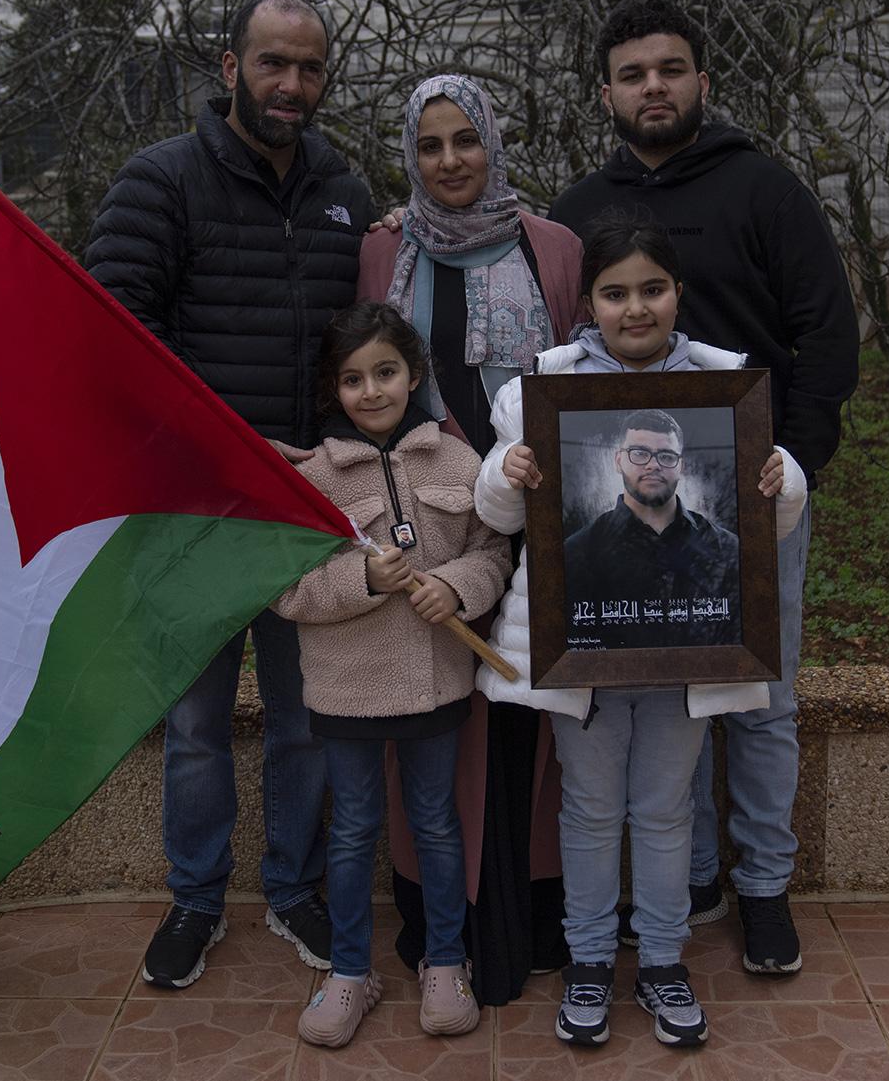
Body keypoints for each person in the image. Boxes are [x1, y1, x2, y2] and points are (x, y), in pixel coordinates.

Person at [547, 0, 859, 974]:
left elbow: (829, 334)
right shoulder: (573, 213)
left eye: (670, 69)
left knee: (758, 698)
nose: (653, 87)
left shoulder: (764, 188)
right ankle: (683, 882)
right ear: (606, 92)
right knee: (649, 691)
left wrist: (794, 463)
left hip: (758, 497)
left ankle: (763, 883)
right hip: (621, 499)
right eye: (633, 74)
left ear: (702, 82)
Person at [84, 0, 373, 988]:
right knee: (200, 727)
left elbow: (366, 347)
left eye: (309, 68)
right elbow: (115, 332)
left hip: (303, 516)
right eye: (272, 63)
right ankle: (196, 897)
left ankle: (292, 888)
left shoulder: (347, 191)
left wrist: (338, 460)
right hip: (197, 516)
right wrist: (214, 442)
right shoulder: (160, 179)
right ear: (229, 65)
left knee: (303, 721)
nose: (291, 84)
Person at [473, 212, 807, 1047]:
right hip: (579, 647)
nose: (635, 308)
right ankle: (589, 961)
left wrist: (782, 475)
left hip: (689, 649)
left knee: (662, 811)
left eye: (651, 289)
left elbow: (776, 505)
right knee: (588, 808)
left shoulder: (720, 382)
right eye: (615, 292)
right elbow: (497, 508)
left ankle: (661, 960)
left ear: (677, 294)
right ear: (588, 300)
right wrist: (506, 472)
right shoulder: (541, 385)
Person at [356, 74, 586, 1003]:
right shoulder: (382, 251)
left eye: (466, 140)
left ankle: (533, 915)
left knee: (529, 715)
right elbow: (364, 375)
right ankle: (436, 915)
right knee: (435, 716)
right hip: (430, 524)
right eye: (430, 145)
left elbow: (585, 374)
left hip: (538, 515)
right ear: (409, 156)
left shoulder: (554, 248)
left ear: (494, 141)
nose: (450, 161)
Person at [274, 301, 511, 1048]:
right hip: (346, 692)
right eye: (352, 378)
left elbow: (494, 552)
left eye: (385, 371)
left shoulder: (458, 461)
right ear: (331, 388)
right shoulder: (312, 479)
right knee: (352, 832)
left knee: (437, 823)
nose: (371, 390)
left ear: (414, 374)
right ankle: (350, 970)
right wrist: (364, 582)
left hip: (436, 685)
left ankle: (445, 960)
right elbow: (289, 592)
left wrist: (459, 585)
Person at [563, 408, 741, 649]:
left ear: (681, 466)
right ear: (618, 461)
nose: (653, 465)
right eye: (639, 453)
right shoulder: (577, 552)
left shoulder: (728, 550)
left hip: (705, 683)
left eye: (666, 456)